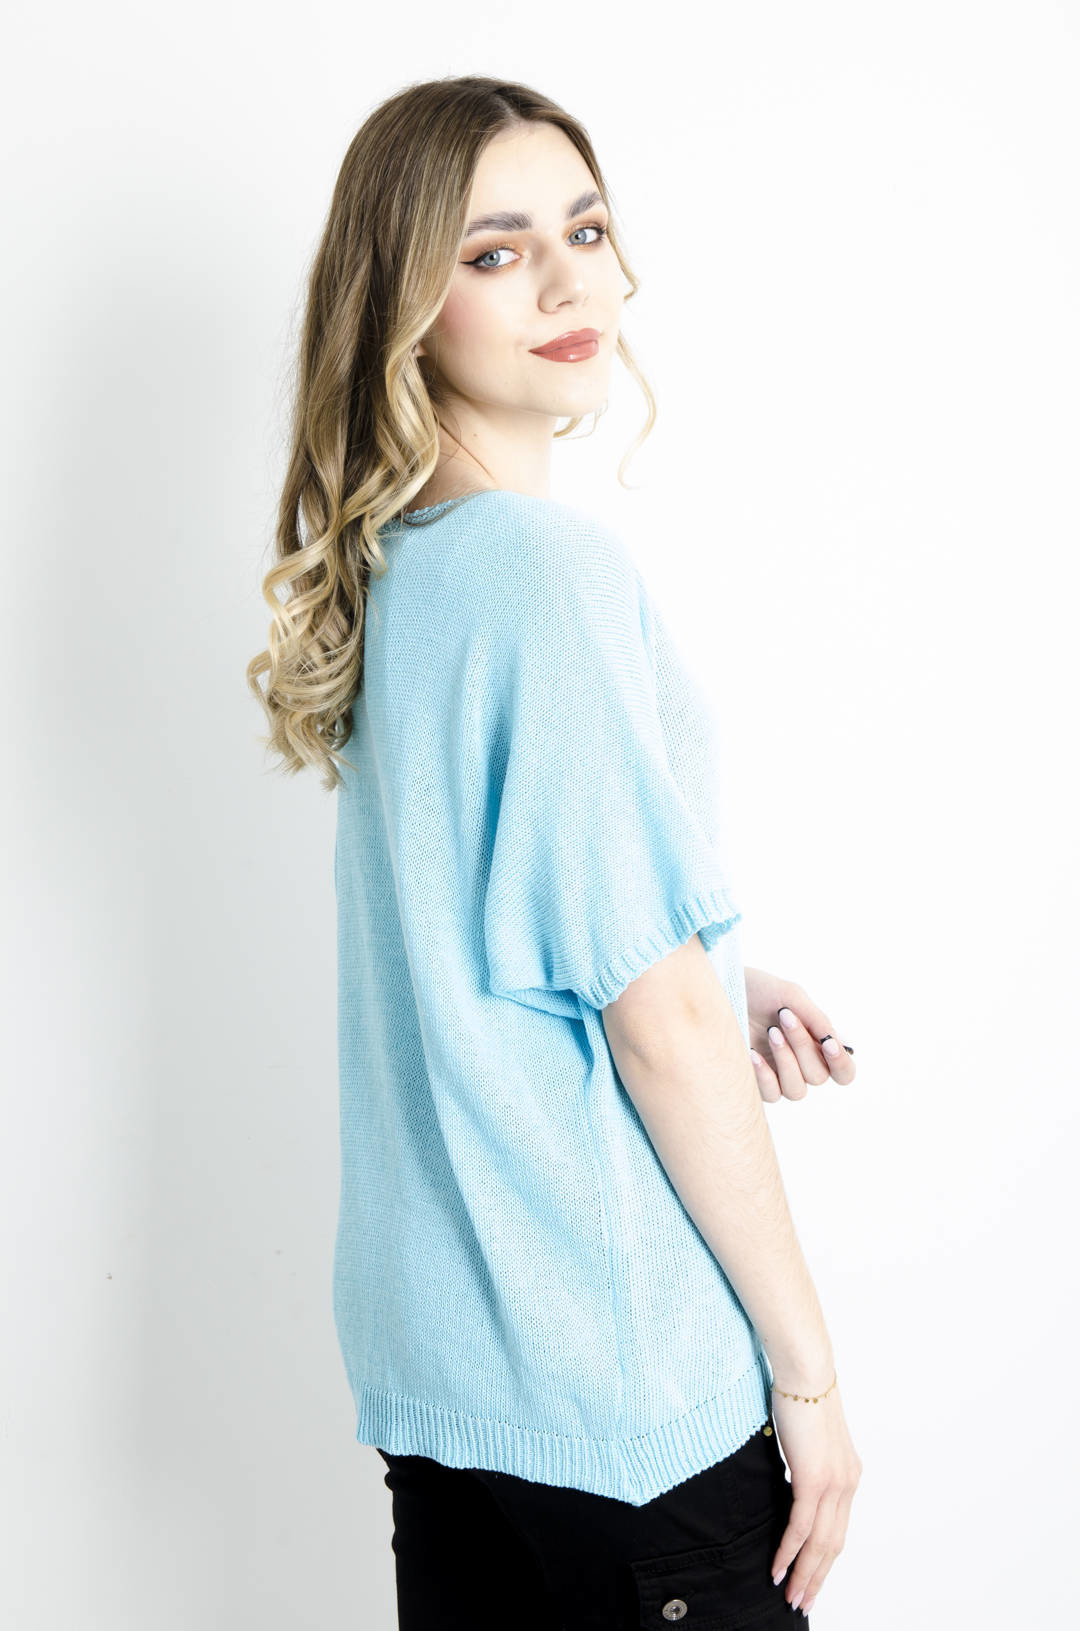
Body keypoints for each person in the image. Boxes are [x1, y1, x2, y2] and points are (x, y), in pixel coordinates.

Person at [247, 74, 862, 1630]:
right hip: (620, 1402)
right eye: (496, 251)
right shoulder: (544, 572)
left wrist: (718, 965)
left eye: (584, 230)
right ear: (404, 303)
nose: (568, 280)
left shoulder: (402, 571)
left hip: (454, 1394)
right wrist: (807, 1378)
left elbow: (489, 933)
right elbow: (653, 1021)